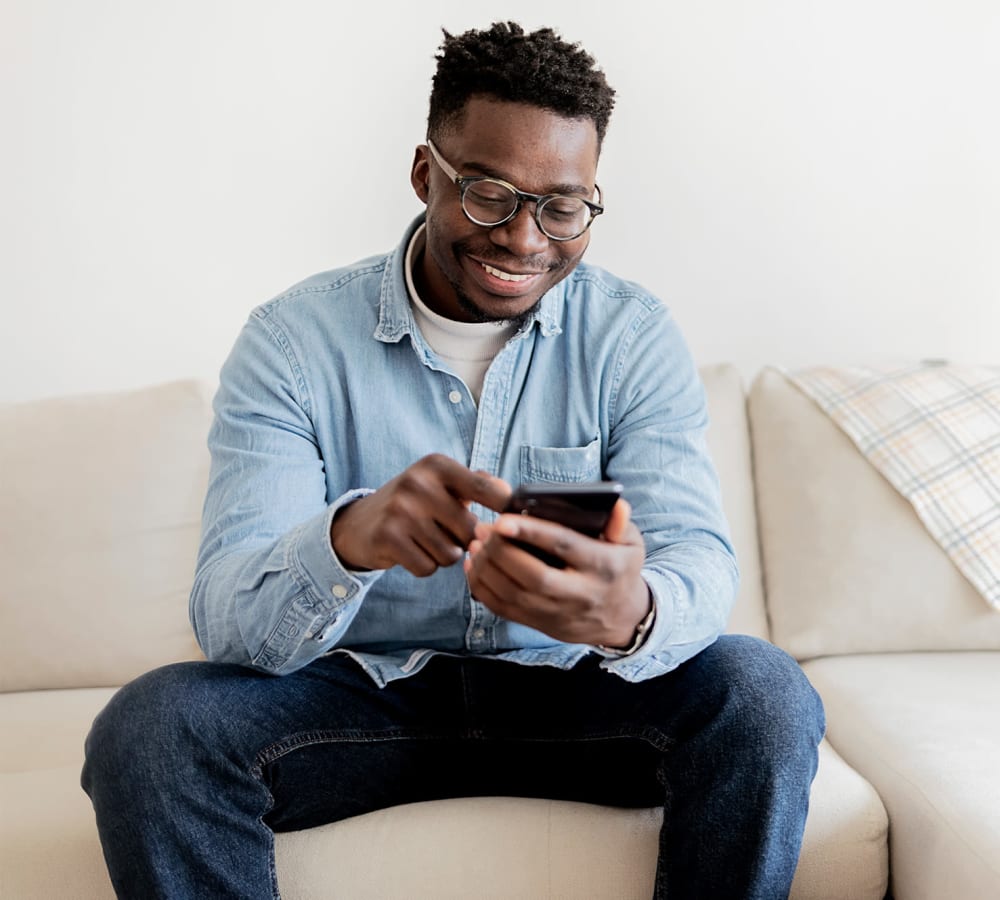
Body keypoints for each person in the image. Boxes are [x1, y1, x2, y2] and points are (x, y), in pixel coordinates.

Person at [82, 21, 825, 899]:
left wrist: (633, 611)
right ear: (426, 174)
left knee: (766, 692)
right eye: (489, 194)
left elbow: (699, 557)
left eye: (561, 205)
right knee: (152, 727)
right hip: (358, 700)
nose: (523, 239)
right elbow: (227, 620)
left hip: (575, 695)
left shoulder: (630, 337)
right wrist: (348, 540)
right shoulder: (292, 343)